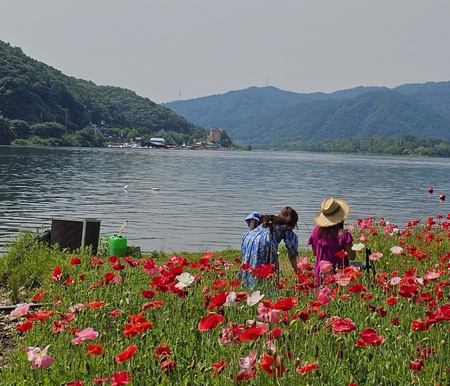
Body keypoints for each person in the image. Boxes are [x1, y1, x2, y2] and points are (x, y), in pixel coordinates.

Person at [240, 207, 299, 288]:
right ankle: (267, 288)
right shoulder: (286, 228)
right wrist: (297, 271)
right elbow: (292, 254)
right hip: (266, 241)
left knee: (251, 263)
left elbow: (253, 216)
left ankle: (248, 286)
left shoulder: (269, 219)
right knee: (269, 267)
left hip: (249, 238)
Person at [308, 197, 356, 285]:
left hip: (319, 274)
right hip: (338, 276)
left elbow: (315, 253)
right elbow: (352, 256)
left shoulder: (316, 231)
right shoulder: (343, 235)